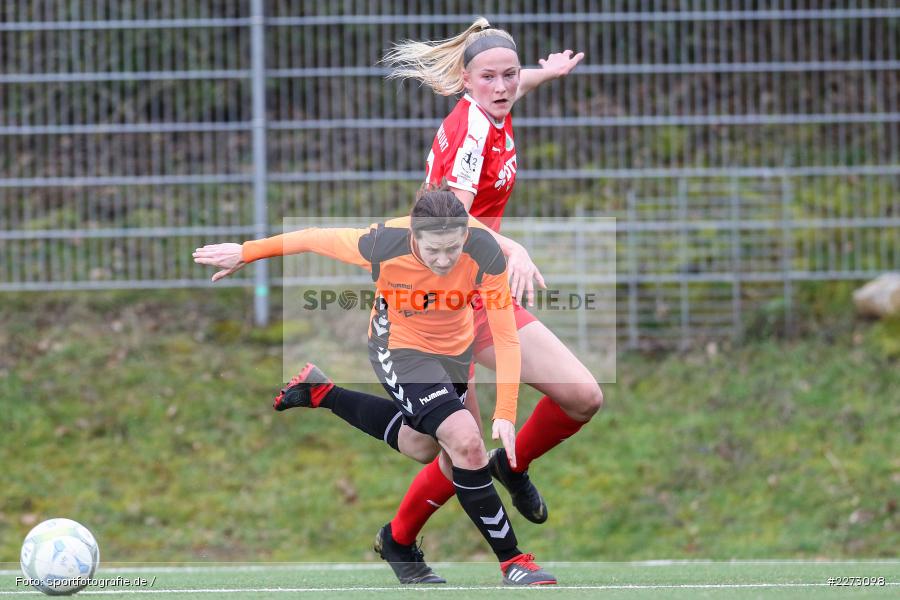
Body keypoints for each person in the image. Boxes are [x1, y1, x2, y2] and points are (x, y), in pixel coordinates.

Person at [193, 186, 556, 586]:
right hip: (399, 349)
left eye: (452, 248)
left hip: (453, 355)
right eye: (432, 249)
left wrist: (506, 411)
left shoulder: (483, 251)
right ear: (413, 234)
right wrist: (247, 252)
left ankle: (323, 393)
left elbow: (505, 337)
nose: (442, 259)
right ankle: (513, 561)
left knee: (423, 447)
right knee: (466, 442)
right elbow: (312, 237)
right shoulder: (382, 242)